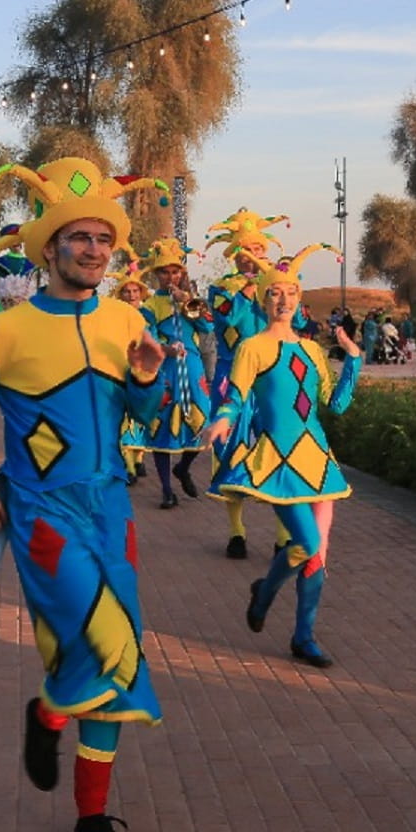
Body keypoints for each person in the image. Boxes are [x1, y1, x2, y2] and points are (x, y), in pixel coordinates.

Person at [0, 157, 167, 832]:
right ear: (50, 248)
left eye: (103, 239)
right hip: (41, 512)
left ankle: (86, 800)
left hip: (111, 509)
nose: (93, 250)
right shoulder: (2, 332)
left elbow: (139, 415)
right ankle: (52, 711)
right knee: (109, 644)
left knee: (107, 655)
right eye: (79, 238)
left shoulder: (128, 319)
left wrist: (148, 379)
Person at [202, 245, 363, 670]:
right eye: (275, 293)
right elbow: (235, 397)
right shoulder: (252, 347)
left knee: (318, 555)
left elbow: (336, 403)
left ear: (299, 299)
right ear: (263, 298)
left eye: (291, 292)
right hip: (277, 461)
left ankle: (303, 636)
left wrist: (354, 360)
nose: (284, 300)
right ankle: (267, 590)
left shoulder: (311, 352)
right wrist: (221, 419)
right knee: (306, 543)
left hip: (318, 462)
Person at [205, 207, 290, 560]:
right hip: (231, 376)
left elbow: (296, 318)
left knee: (280, 448)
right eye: (245, 253)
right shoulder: (221, 290)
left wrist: (277, 288)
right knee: (231, 451)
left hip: (271, 375)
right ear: (235, 258)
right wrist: (250, 288)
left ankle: (284, 537)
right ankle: (236, 532)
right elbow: (231, 318)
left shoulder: (280, 286)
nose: (252, 259)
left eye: (257, 251)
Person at [140, 237, 214, 510]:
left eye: (175, 272)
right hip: (166, 366)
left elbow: (207, 328)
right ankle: (167, 490)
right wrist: (165, 349)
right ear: (156, 275)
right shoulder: (150, 306)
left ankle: (183, 467)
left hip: (192, 365)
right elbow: (146, 339)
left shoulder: (190, 300)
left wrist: (189, 302)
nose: (170, 277)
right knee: (163, 424)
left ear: (182, 273)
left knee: (202, 418)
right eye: (164, 272)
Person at [113, 262, 153, 486]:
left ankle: (138, 458)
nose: (131, 295)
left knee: (142, 415)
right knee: (125, 418)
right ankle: (128, 466)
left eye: (135, 291)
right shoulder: (116, 315)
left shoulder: (148, 314)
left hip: (145, 370)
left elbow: (155, 338)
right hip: (122, 368)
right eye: (126, 292)